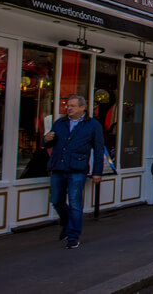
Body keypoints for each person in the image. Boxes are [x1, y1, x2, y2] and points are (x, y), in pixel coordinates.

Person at [44, 95, 104, 249]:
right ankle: (66, 222)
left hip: (77, 169)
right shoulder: (60, 123)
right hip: (58, 167)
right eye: (68, 106)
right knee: (56, 200)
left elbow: (98, 150)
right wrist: (46, 139)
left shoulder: (92, 125)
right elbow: (49, 142)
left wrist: (97, 172)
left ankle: (73, 236)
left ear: (82, 108)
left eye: (72, 106)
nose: (68, 108)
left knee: (75, 202)